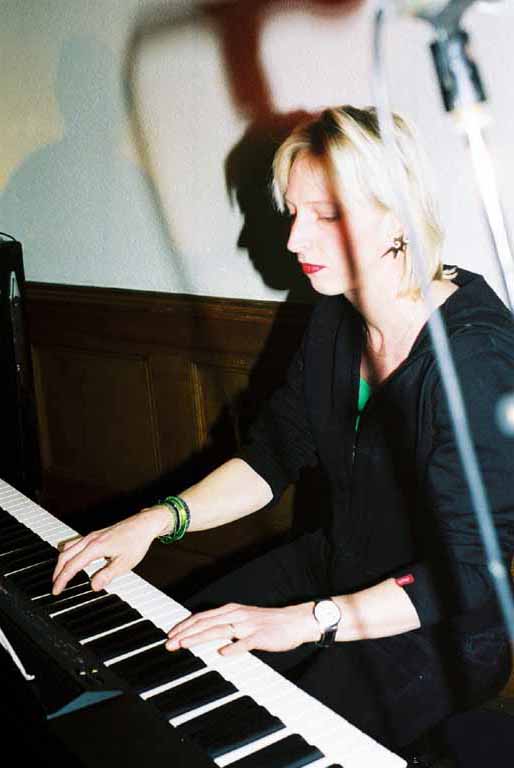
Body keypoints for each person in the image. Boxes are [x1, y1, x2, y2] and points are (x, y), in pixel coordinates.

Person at [52, 106, 514, 755]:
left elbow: (464, 573)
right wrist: (156, 520)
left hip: (442, 628)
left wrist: (305, 621)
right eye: (293, 212)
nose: (295, 240)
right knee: (170, 657)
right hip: (334, 564)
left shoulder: (476, 359)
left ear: (400, 217)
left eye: (326, 215)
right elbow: (272, 456)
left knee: (264, 742)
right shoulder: (335, 318)